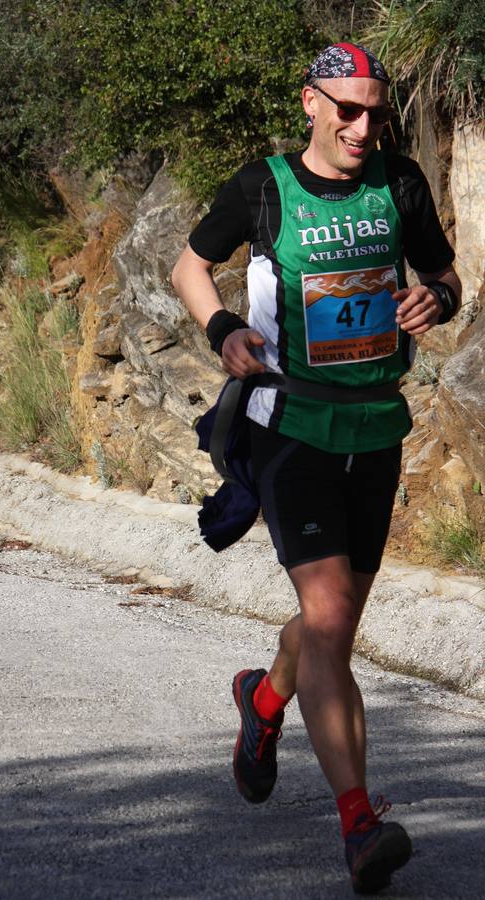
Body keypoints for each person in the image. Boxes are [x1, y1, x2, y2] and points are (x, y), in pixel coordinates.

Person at [172, 42, 462, 894]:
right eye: (345, 107)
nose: (361, 124)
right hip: (289, 421)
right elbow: (191, 265)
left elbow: (444, 274)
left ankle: (264, 705)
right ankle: (359, 823)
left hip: (375, 425)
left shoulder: (400, 182)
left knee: (330, 626)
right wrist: (224, 328)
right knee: (331, 616)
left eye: (374, 111)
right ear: (310, 103)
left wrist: (436, 298)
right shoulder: (262, 185)